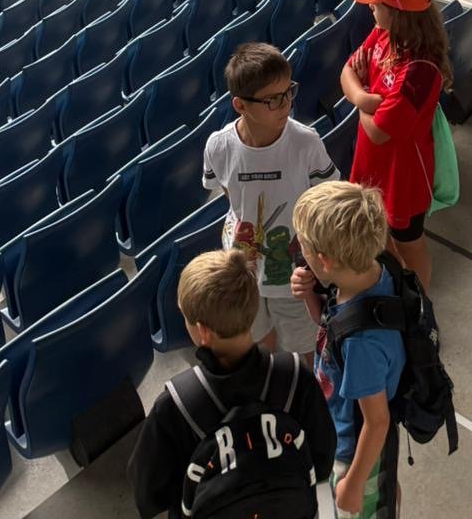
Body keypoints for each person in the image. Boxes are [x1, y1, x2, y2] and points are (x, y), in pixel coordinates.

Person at [128, 246, 336, 519]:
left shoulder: (175, 405)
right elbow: (322, 460)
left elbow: (147, 496)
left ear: (201, 331)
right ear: (251, 310)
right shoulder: (296, 375)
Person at [201, 42, 338, 355]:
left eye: (288, 92)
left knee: (305, 345)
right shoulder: (219, 146)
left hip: (293, 272)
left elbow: (327, 198)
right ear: (240, 105)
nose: (285, 105)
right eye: (272, 100)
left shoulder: (305, 142)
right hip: (243, 268)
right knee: (260, 338)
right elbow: (231, 197)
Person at [291, 181, 405, 519]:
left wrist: (354, 483)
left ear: (324, 260)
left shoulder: (362, 345)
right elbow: (329, 329)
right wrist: (311, 296)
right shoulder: (371, 272)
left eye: (305, 248)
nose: (300, 251)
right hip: (340, 425)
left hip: (354, 448)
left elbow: (377, 422)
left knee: (366, 507)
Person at [341, 0, 450, 289]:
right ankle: (393, 284)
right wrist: (366, 100)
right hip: (370, 164)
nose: (370, 8)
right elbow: (346, 73)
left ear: (398, 12)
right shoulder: (383, 33)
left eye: (377, 3)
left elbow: (378, 132)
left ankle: (418, 303)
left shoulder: (420, 71)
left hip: (403, 176)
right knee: (377, 232)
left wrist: (360, 96)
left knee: (409, 243)